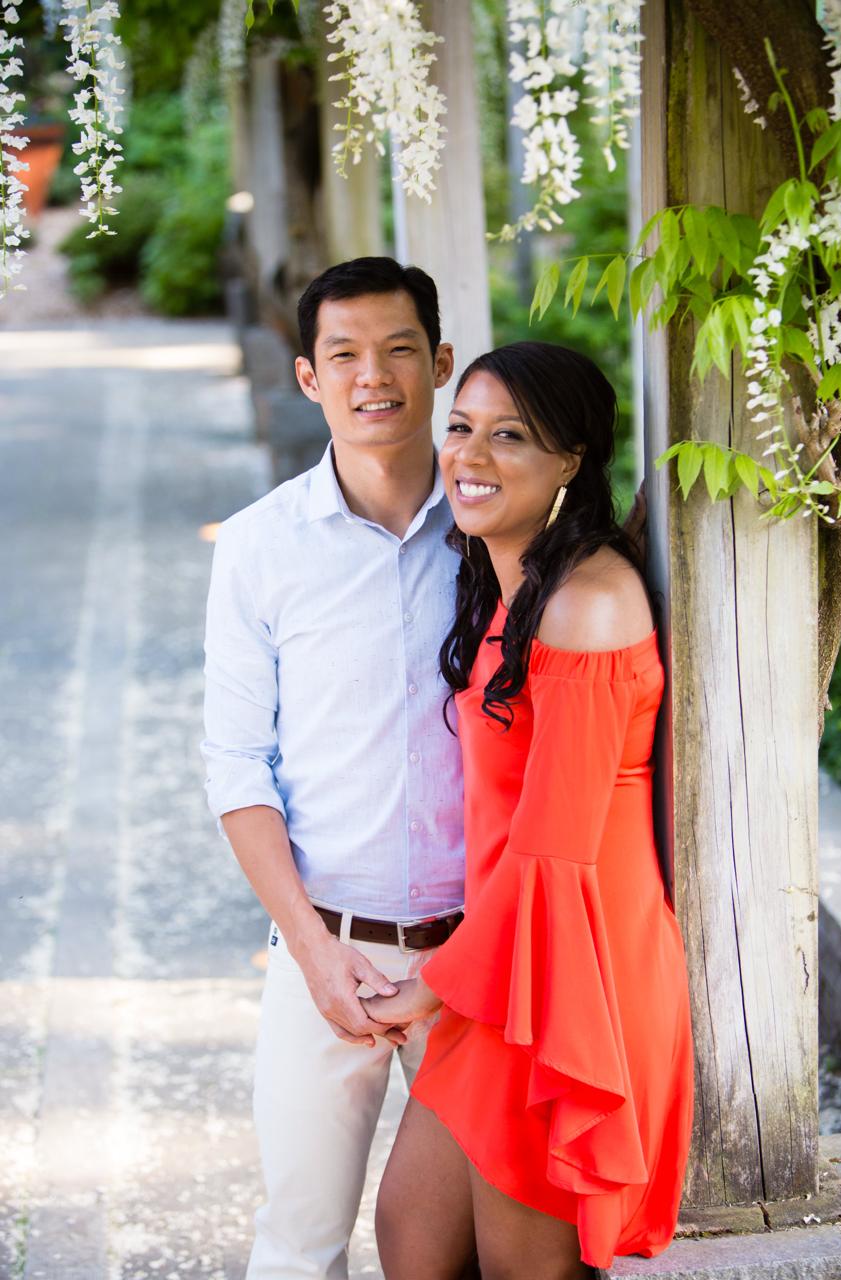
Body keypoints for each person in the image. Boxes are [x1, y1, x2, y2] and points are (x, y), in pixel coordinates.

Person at [363, 342, 695, 1280]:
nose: (469, 454)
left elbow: (552, 852)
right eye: (460, 427)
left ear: (572, 462)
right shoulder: (508, 587)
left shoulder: (586, 604)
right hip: (503, 961)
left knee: (522, 1267)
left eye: (509, 436)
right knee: (411, 1238)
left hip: (570, 980)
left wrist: (418, 989)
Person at [201, 257, 471, 1280]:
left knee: (473, 1248)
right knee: (299, 1244)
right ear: (308, 375)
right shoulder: (263, 545)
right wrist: (313, 953)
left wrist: (468, 960)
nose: (376, 376)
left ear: (439, 362)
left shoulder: (497, 529)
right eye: (345, 354)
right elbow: (236, 762)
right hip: (327, 951)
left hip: (474, 963)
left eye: (400, 349)